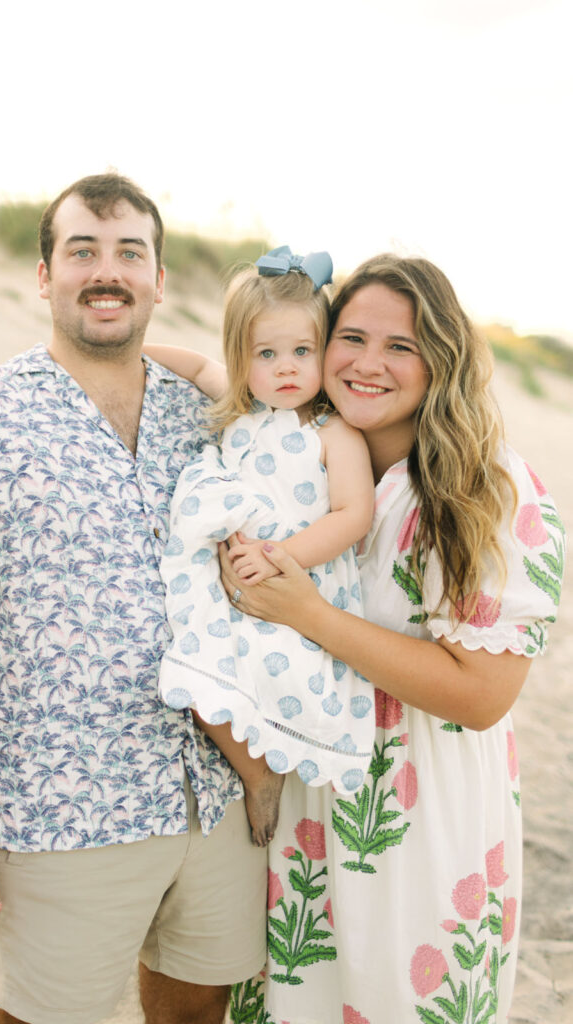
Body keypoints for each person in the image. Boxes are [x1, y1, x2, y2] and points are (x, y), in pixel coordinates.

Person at [0, 173, 268, 1024]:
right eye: (83, 251)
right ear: (44, 273)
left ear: (159, 280)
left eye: (131, 252)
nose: (108, 271)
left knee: (199, 1013)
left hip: (215, 794)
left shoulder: (209, 418)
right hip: (61, 807)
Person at [220, 255, 565, 1024]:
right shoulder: (290, 459)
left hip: (417, 810)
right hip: (302, 796)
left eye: (400, 347)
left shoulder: (485, 488)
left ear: (441, 360)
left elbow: (480, 696)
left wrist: (310, 615)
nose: (367, 364)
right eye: (349, 337)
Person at [147, 248, 375, 847]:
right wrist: (127, 355)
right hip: (234, 580)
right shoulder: (240, 409)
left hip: (300, 580)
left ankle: (272, 768)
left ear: (325, 351)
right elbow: (194, 365)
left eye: (303, 352)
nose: (286, 369)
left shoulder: (332, 432)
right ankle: (256, 774)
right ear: (241, 357)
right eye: (265, 354)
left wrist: (284, 558)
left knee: (280, 677)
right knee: (196, 669)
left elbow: (354, 514)